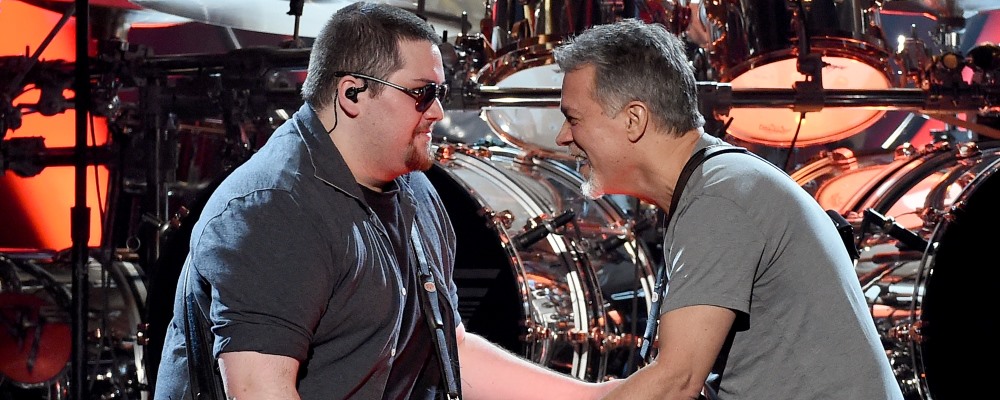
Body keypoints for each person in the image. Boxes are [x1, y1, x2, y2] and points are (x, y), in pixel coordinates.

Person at [154, 3, 620, 399]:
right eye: (422, 94)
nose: (438, 111)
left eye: (439, 93)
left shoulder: (413, 188)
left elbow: (450, 349)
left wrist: (595, 396)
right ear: (352, 94)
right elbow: (261, 391)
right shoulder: (274, 210)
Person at [552, 19, 905, 399]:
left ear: (634, 120)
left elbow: (675, 382)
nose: (562, 137)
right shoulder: (716, 183)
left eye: (573, 119)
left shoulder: (718, 199)